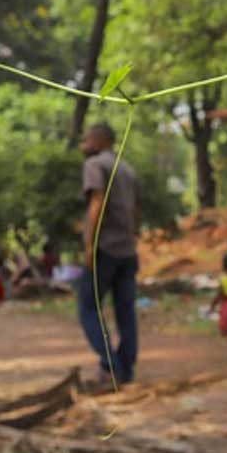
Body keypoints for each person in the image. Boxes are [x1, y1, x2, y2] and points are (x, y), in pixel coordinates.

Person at [78, 122, 140, 385]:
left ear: (98, 140)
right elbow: (135, 211)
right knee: (125, 310)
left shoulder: (95, 165)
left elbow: (97, 202)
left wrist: (89, 244)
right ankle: (125, 367)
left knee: (88, 307)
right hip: (127, 249)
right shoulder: (127, 169)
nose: (83, 144)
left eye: (86, 139)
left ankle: (109, 365)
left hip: (106, 248)